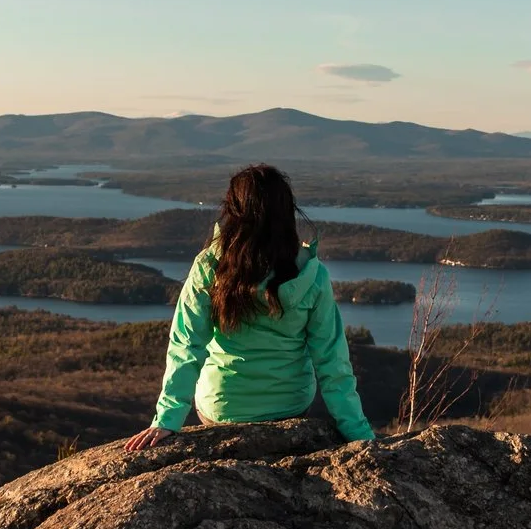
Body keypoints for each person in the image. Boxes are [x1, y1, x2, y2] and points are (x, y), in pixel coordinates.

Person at [123, 162, 374, 450]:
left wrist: (166, 419)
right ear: (286, 211)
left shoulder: (209, 265)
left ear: (234, 211)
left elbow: (186, 346)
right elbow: (333, 361)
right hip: (289, 406)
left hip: (222, 409)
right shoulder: (312, 274)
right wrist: (359, 434)